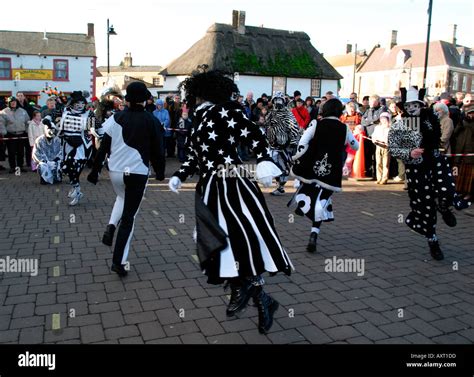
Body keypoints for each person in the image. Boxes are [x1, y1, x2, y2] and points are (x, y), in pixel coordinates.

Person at [168, 70, 293, 334]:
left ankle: (248, 292)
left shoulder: (227, 110)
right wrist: (179, 175)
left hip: (232, 181)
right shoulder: (199, 118)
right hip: (210, 186)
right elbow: (194, 155)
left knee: (238, 239)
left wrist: (264, 160)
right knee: (218, 241)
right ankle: (259, 298)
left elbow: (253, 134)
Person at [87, 82, 165, 277]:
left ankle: (111, 226)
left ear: (127, 99)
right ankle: (118, 261)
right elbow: (158, 151)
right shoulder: (151, 120)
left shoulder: (115, 118)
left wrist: (95, 171)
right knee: (129, 218)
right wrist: (160, 172)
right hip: (137, 172)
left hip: (115, 171)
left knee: (121, 198)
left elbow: (104, 146)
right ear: (145, 99)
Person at [388, 87, 470, 261]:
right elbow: (393, 148)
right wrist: (409, 153)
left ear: (421, 105)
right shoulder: (400, 124)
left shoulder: (430, 118)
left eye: (415, 105)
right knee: (425, 206)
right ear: (404, 107)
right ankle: (433, 241)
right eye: (408, 106)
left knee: (447, 188)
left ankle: (445, 206)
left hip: (434, 161)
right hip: (416, 167)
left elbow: (443, 129)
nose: (411, 109)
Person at [289, 98, 359, 253]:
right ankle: (314, 232)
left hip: (312, 167)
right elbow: (356, 145)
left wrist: (296, 158)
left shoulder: (316, 124)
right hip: (331, 170)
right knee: (322, 199)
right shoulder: (344, 128)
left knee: (309, 192)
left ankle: (304, 207)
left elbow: (302, 143)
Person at [46, 91, 102, 205]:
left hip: (82, 147)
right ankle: (75, 187)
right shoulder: (64, 111)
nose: (80, 105)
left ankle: (77, 191)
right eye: (77, 103)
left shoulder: (89, 114)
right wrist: (48, 124)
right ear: (73, 103)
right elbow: (52, 117)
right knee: (66, 168)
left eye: (82, 103)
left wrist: (100, 136)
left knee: (73, 169)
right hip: (67, 145)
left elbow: (98, 127)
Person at [264, 91, 300, 196]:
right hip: (272, 143)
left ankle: (281, 187)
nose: (278, 102)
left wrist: (293, 141)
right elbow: (267, 126)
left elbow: (294, 127)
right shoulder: (271, 113)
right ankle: (278, 184)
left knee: (283, 165)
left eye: (279, 100)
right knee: (273, 164)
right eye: (276, 100)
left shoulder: (287, 113)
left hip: (284, 144)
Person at [0, 97, 30, 173]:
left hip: (21, 134)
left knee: (21, 152)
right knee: (11, 152)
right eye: (11, 102)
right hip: (10, 134)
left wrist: (27, 131)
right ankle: (12, 167)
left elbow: (27, 121)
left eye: (14, 102)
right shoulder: (4, 112)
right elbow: (1, 123)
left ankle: (20, 166)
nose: (13, 103)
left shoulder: (23, 111)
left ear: (17, 103)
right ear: (8, 103)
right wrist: (3, 132)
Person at [361, 94, 387, 179]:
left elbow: (378, 119)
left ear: (378, 102)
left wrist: (369, 121)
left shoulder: (382, 109)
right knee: (368, 155)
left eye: (374, 101)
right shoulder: (368, 110)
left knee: (378, 157)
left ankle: (377, 174)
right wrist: (370, 121)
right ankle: (369, 172)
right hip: (368, 135)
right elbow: (363, 121)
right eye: (370, 101)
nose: (371, 103)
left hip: (378, 137)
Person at [452, 104, 474, 201]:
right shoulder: (462, 121)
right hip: (460, 150)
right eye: (469, 113)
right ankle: (460, 191)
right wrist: (460, 124)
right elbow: (455, 133)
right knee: (460, 174)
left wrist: (469, 124)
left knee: (469, 175)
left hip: (470, 151)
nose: (471, 115)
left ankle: (469, 193)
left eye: (472, 113)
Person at [32, 120, 62, 185]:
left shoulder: (58, 140)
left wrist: (56, 160)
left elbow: (61, 152)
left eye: (52, 129)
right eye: (49, 129)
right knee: (42, 166)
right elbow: (36, 153)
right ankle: (44, 178)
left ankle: (57, 177)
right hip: (44, 162)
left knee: (60, 164)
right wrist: (44, 161)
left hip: (55, 161)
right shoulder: (39, 140)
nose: (51, 131)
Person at [340, 102, 362, 176]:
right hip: (344, 137)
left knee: (352, 155)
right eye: (350, 110)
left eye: (352, 110)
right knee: (343, 154)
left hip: (353, 137)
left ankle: (350, 170)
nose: (351, 111)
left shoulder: (358, 116)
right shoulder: (343, 116)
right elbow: (341, 124)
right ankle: (343, 169)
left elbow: (359, 125)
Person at [372, 112, 391, 184]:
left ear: (388, 120)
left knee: (385, 164)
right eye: (382, 119)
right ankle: (378, 178)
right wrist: (374, 140)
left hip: (386, 148)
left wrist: (387, 142)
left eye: (385, 119)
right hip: (378, 146)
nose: (383, 120)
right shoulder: (377, 127)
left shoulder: (390, 129)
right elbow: (374, 136)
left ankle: (384, 179)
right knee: (378, 163)